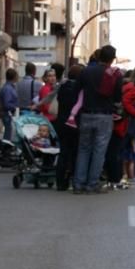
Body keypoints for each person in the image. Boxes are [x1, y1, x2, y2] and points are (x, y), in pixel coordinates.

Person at [73, 45, 122, 194]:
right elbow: (118, 97)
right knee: (99, 151)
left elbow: (76, 90)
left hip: (87, 114)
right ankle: (92, 184)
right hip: (105, 115)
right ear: (112, 59)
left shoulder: (85, 71)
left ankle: (78, 184)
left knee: (83, 149)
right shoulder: (115, 74)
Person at [54, 63, 83, 191]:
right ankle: (73, 178)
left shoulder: (62, 87)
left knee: (63, 152)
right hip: (75, 123)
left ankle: (60, 181)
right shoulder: (79, 89)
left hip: (61, 123)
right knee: (75, 152)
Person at [0, 68, 19, 141]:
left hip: (9, 113)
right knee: (9, 133)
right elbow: (7, 103)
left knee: (9, 131)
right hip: (8, 113)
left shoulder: (10, 87)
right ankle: (6, 148)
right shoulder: (8, 88)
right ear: (14, 77)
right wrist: (15, 107)